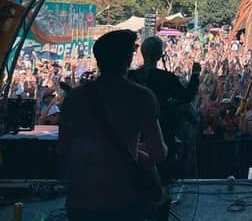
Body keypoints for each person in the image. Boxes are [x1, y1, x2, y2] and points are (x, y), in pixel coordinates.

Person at [59, 30, 167, 221]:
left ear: (99, 60)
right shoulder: (141, 96)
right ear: (127, 59)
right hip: (122, 200)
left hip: (81, 200)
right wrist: (135, 152)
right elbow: (158, 153)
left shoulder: (74, 98)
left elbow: (64, 149)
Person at [129, 36, 200, 221]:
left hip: (133, 137)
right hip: (162, 134)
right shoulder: (166, 78)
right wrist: (195, 75)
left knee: (136, 183)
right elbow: (186, 97)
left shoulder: (130, 77)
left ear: (142, 53)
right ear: (160, 55)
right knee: (163, 183)